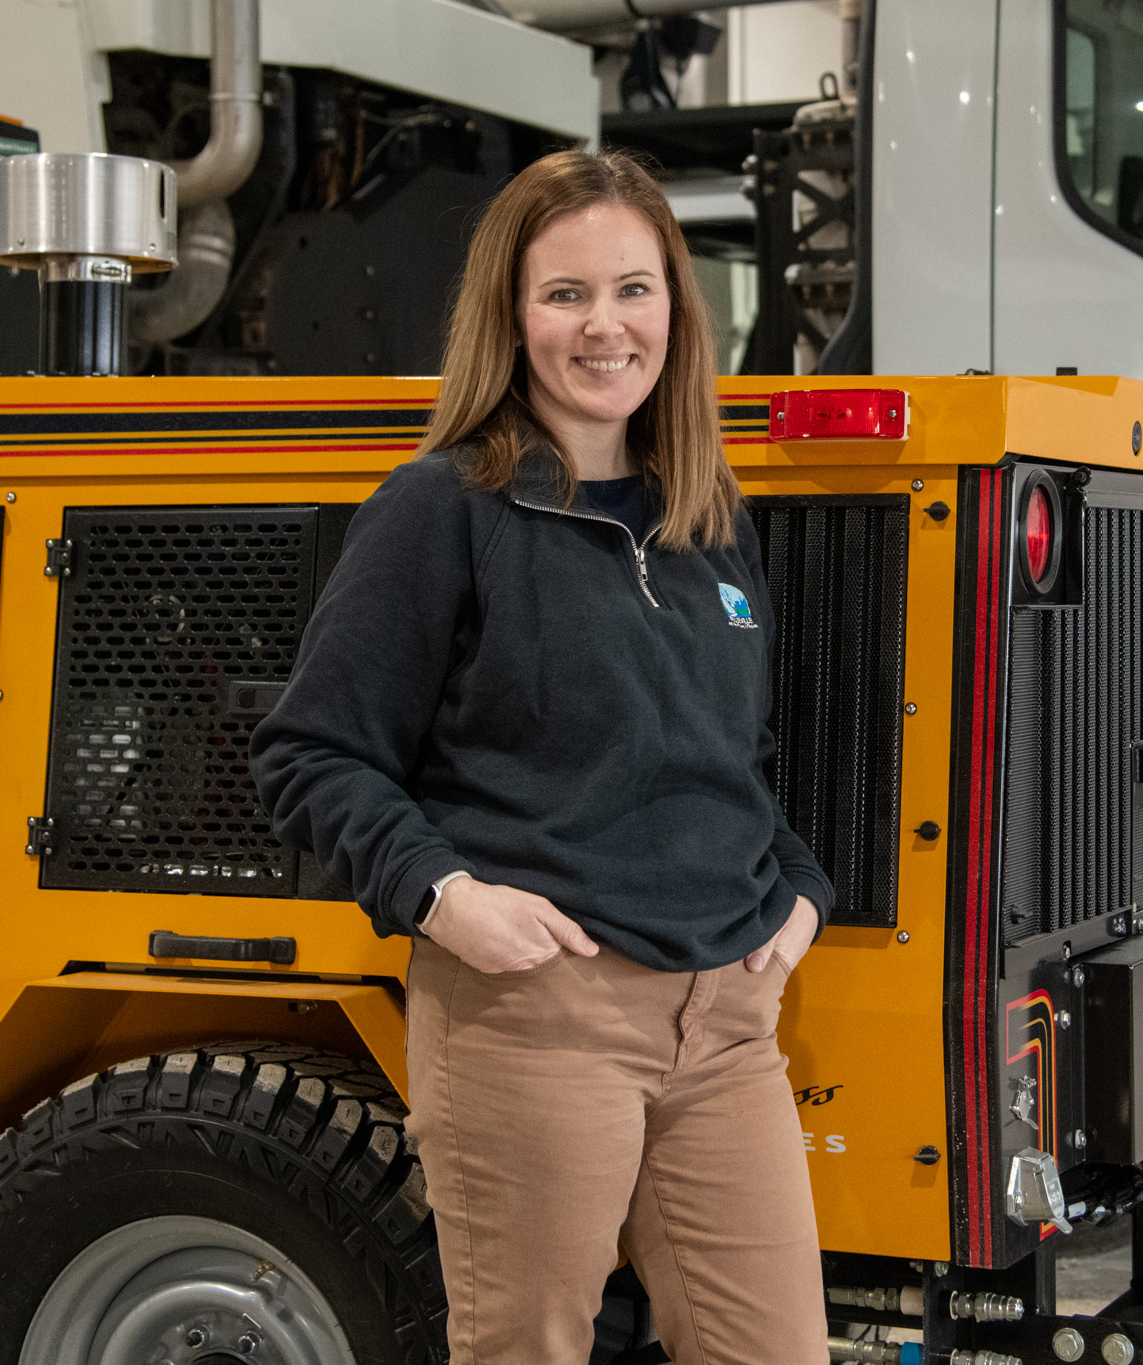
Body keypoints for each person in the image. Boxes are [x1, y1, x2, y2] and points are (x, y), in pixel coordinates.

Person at [250, 148, 834, 1365]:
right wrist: (448, 900)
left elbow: (736, 752)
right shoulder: (440, 510)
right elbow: (310, 754)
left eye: (633, 289)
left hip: (726, 1021)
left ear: (677, 305)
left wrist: (796, 894)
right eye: (564, 294)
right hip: (538, 1016)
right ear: (511, 319)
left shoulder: (706, 527)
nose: (603, 327)